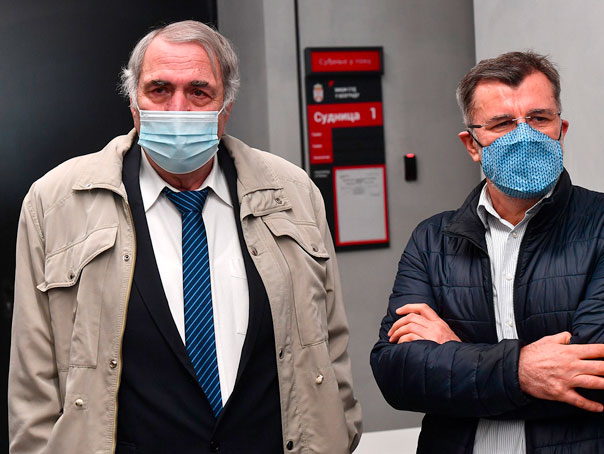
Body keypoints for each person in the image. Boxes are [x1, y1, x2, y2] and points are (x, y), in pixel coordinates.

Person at [9, 20, 361, 454]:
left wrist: (338, 432)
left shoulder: (294, 193)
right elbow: (33, 376)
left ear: (225, 108)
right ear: (134, 103)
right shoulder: (55, 203)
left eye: (198, 92)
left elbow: (330, 339)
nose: (178, 109)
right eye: (159, 90)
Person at [370, 51, 604, 453]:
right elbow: (398, 377)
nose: (524, 135)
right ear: (472, 144)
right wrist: (527, 370)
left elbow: (602, 379)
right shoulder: (433, 240)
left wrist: (453, 354)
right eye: (502, 123)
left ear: (561, 129)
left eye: (539, 118)